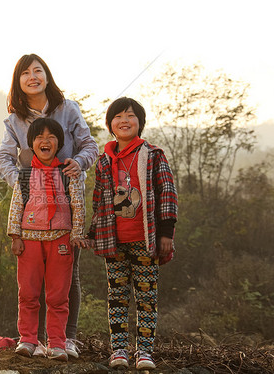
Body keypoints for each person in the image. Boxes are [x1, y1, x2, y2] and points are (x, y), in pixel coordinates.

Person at [0, 53, 98, 358]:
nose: (32, 77)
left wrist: (77, 165)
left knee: (66, 278)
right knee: (30, 281)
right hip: (32, 209)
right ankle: (33, 340)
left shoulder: (68, 110)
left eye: (38, 70)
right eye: (25, 73)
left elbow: (89, 145)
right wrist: (22, 182)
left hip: (67, 203)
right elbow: (3, 157)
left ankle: (65, 339)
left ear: (47, 75)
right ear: (18, 82)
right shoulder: (14, 119)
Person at [87, 97, 178, 370]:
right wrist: (93, 233)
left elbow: (167, 194)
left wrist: (166, 232)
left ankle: (145, 352)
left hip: (145, 239)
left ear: (140, 122)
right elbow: (98, 201)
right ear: (110, 124)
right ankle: (119, 351)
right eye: (117, 116)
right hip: (114, 241)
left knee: (146, 297)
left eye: (130, 116)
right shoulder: (104, 161)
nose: (123, 121)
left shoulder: (153, 155)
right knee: (117, 296)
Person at [7, 118, 86, 362]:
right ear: (31, 143)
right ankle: (28, 339)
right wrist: (15, 235)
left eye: (51, 137)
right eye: (40, 137)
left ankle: (58, 343)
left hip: (60, 240)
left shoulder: (67, 173)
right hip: (29, 239)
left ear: (59, 144)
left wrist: (77, 233)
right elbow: (16, 206)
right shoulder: (25, 174)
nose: (45, 141)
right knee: (28, 292)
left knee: (58, 295)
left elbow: (77, 204)